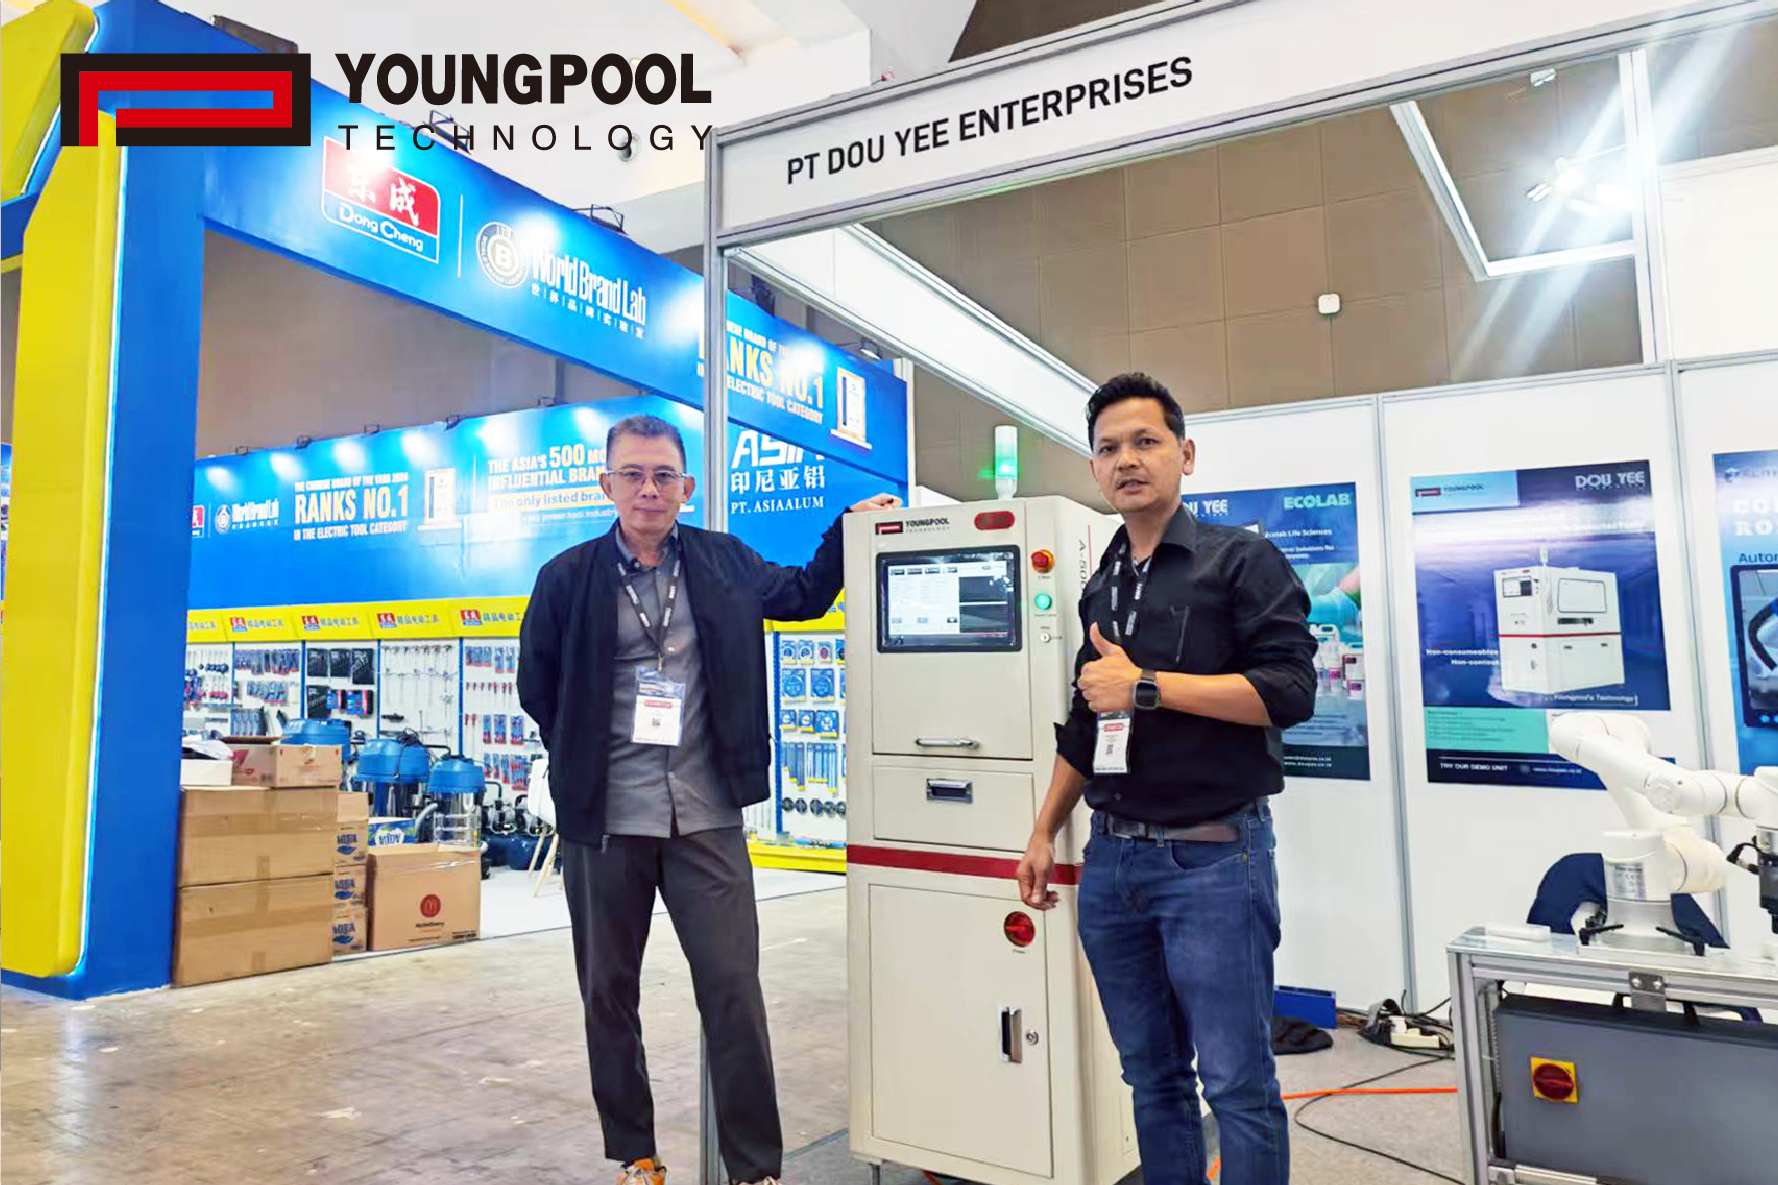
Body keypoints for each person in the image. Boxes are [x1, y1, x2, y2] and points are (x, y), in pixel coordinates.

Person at [517, 414, 899, 1185]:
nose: (648, 489)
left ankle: (755, 1168)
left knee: (732, 989)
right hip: (605, 820)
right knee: (608, 992)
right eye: (632, 474)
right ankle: (636, 1155)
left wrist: (847, 531)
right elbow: (537, 682)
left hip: (706, 813)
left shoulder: (725, 561)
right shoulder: (566, 577)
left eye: (663, 475)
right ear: (606, 484)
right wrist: (584, 754)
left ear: (686, 486)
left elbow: (802, 595)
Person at [1015, 373, 1317, 1185]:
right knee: (1151, 1078)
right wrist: (1043, 831)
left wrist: (1146, 686)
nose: (1127, 460)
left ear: (1185, 454)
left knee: (1238, 1083)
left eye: (1145, 441)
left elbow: (1290, 692)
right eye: (1109, 448)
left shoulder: (1241, 560)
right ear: (1093, 467)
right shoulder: (1102, 583)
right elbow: (1086, 723)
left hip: (1213, 858)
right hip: (1113, 863)